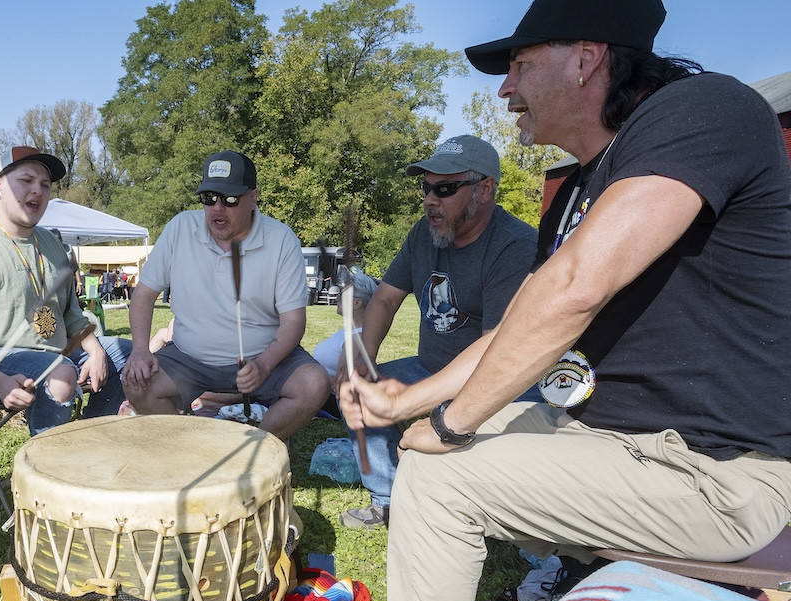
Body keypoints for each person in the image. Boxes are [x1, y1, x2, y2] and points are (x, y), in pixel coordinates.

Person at [315, 0, 791, 601]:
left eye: (519, 65)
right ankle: (564, 577)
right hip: (615, 438)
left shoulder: (706, 110)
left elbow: (574, 290)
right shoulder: (576, 188)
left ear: (586, 58)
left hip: (716, 470)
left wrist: (452, 424)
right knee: (441, 440)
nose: (505, 90)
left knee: (440, 472)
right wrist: (409, 401)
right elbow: (523, 324)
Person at [336, 135, 538, 529]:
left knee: (507, 437)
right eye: (425, 188)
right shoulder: (422, 235)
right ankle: (388, 499)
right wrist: (364, 355)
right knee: (357, 390)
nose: (430, 200)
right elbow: (385, 299)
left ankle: (511, 522)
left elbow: (496, 347)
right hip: (430, 366)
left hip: (499, 382)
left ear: (484, 190)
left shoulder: (515, 246)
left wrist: (407, 401)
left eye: (444, 189)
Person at [123, 150, 330, 442]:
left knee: (314, 384)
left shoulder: (281, 240)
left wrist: (264, 364)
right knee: (136, 383)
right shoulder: (180, 228)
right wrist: (140, 350)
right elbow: (144, 294)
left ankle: (257, 450)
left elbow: (294, 321)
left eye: (230, 199)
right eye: (209, 198)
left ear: (253, 197)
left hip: (262, 357)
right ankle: (189, 449)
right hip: (188, 358)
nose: (217, 208)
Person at [0, 146, 131, 435]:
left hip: (58, 352)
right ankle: (44, 460)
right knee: (60, 373)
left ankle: (92, 438)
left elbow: (72, 315)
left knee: (127, 354)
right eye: (26, 180)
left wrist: (96, 351)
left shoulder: (53, 246)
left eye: (45, 185)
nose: (37, 190)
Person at [310, 265, 378, 419]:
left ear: (356, 303)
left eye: (342, 294)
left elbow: (343, 384)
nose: (337, 298)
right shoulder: (349, 332)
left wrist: (309, 376)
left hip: (326, 400)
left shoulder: (357, 338)